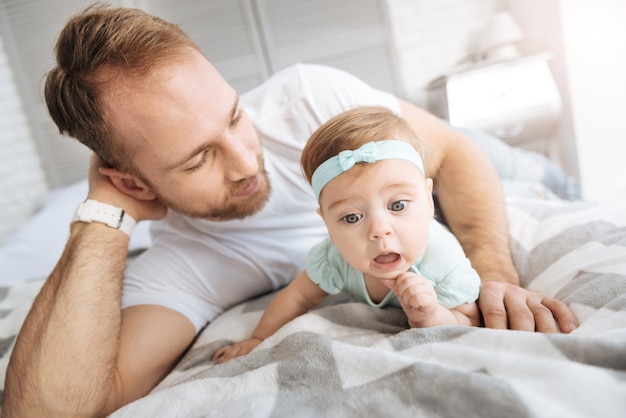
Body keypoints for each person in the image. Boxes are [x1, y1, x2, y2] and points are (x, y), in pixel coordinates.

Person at [2, 4, 578, 417]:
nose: (246, 162)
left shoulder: (307, 100)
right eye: (199, 158)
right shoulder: (184, 265)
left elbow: (453, 150)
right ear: (135, 182)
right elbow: (48, 411)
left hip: (471, 161)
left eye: (232, 116)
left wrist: (494, 275)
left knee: (550, 175)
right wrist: (103, 210)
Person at [213, 107, 482, 363]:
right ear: (327, 223)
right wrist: (259, 338)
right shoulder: (334, 258)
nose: (378, 230)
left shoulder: (443, 263)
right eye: (352, 217)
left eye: (397, 205)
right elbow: (297, 297)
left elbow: (471, 319)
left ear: (427, 199)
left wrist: (434, 315)